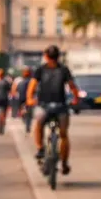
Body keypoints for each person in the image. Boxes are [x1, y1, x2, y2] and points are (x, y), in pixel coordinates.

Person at [26, 45, 80, 177]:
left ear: (45, 56)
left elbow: (32, 87)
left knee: (38, 124)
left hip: (43, 105)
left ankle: (40, 148)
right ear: (58, 56)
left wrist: (29, 99)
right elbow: (73, 87)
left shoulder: (40, 70)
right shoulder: (64, 70)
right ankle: (65, 163)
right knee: (64, 135)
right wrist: (75, 99)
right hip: (61, 106)